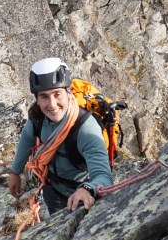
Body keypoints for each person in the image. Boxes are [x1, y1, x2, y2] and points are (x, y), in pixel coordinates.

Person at [8, 57, 113, 214]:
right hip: (52, 190)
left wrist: (87, 189)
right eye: (44, 96)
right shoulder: (38, 117)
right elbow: (27, 138)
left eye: (57, 94)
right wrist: (15, 172)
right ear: (37, 99)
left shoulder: (85, 128)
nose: (52, 104)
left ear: (68, 92)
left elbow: (103, 175)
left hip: (81, 195)